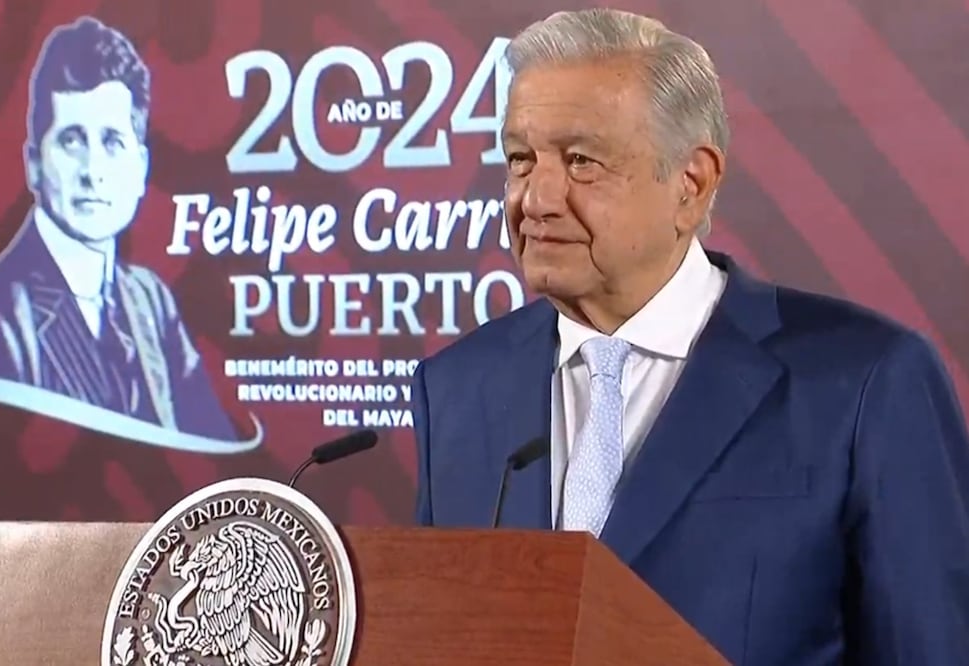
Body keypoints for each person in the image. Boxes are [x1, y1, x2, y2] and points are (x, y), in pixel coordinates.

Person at [411, 8, 969, 664]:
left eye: (581, 161)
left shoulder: (864, 381)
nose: (535, 197)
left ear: (691, 184)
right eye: (520, 159)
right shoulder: (456, 387)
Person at [0, 16, 236, 442]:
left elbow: (212, 455)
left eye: (112, 142)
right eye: (71, 140)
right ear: (34, 164)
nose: (92, 171)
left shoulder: (151, 301)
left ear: (140, 169)